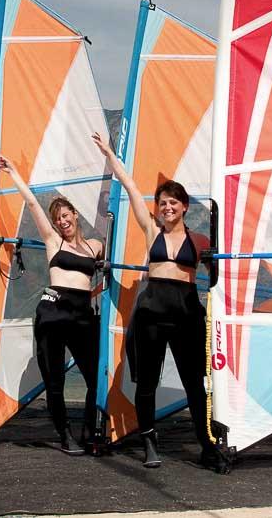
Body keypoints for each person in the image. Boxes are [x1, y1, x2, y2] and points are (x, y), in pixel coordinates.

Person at [91, 132, 219, 468]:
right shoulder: (152, 231)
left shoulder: (200, 240)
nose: (167, 207)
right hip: (151, 313)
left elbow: (220, 273)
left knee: (195, 384)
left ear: (184, 206)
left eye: (173, 202)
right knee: (146, 384)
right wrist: (109, 154)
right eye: (162, 203)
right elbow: (131, 187)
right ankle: (149, 441)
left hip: (187, 313)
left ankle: (207, 445)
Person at [0, 154, 103, 455]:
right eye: (57, 218)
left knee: (95, 377)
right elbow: (32, 204)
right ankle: (64, 434)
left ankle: (89, 431)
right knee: (55, 380)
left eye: (65, 215)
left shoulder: (95, 246)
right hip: (53, 311)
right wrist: (14, 173)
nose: (62, 221)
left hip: (82, 314)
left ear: (75, 214)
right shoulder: (53, 242)